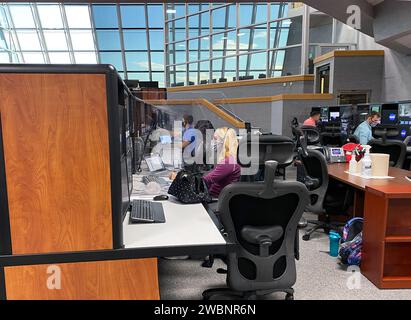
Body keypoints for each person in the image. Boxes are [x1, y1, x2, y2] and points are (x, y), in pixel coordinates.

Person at [170, 127, 241, 198]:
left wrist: (180, 178)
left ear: (224, 141)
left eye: (215, 139)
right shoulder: (228, 159)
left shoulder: (229, 162)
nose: (212, 141)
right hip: (211, 195)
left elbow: (205, 181)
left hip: (213, 199)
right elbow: (207, 176)